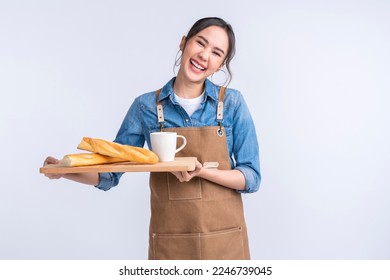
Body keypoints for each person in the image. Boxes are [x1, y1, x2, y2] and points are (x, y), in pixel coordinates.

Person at [44, 17, 261, 260]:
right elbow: (109, 173)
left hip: (225, 241)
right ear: (183, 43)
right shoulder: (145, 107)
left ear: (220, 65)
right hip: (171, 242)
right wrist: (65, 171)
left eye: (216, 53)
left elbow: (251, 177)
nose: (204, 55)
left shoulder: (232, 103)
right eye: (201, 43)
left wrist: (201, 172)